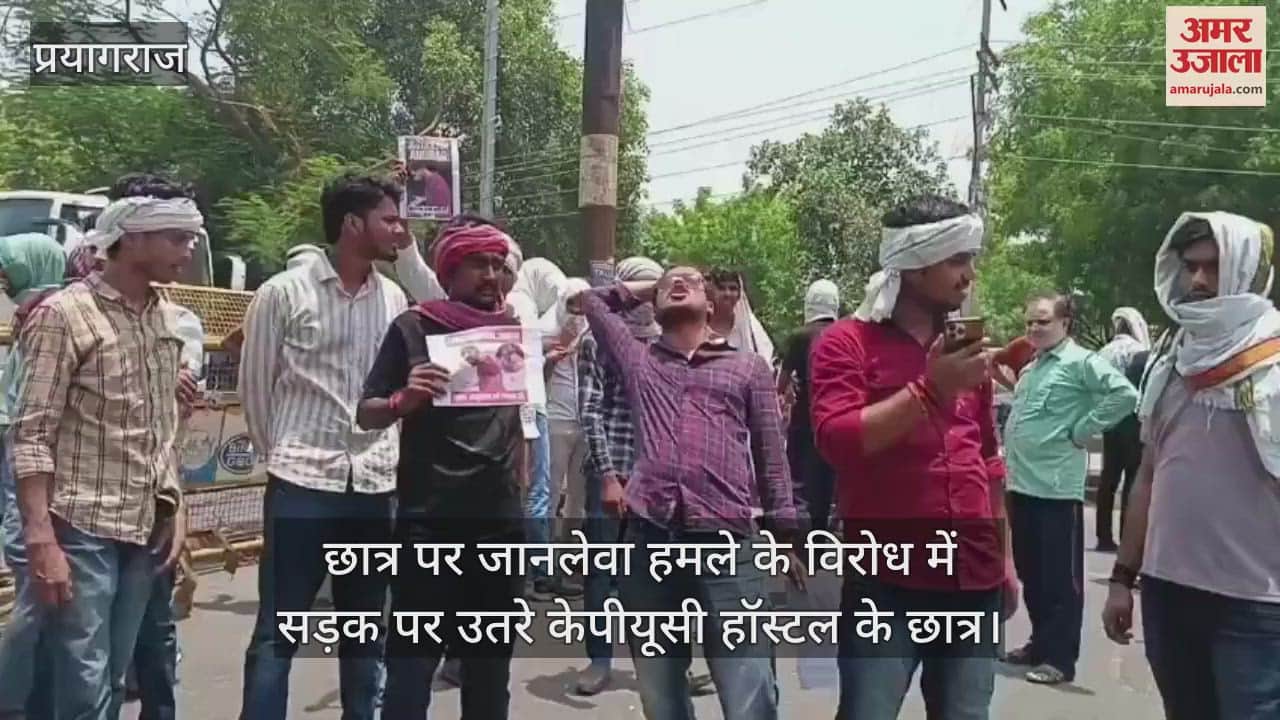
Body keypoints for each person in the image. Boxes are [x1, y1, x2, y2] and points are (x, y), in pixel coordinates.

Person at [809, 194, 1018, 720]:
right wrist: (929, 391)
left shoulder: (967, 353)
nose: (969, 274)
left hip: (973, 577)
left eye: (970, 259)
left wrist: (1006, 563)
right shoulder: (844, 343)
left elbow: (988, 463)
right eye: (956, 259)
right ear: (914, 262)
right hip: (887, 582)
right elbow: (837, 440)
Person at [576, 262, 802, 720]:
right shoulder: (639, 359)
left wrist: (788, 535)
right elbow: (592, 302)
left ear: (713, 303)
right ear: (654, 305)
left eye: (692, 280)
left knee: (748, 693)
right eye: (669, 284)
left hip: (729, 545)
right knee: (661, 695)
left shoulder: (748, 367)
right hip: (650, 542)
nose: (678, 284)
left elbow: (771, 458)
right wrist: (650, 285)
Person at [5, 193, 196, 720]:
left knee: (111, 675)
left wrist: (177, 505)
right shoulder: (64, 316)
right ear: (130, 240)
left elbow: (161, 426)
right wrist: (40, 539)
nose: (188, 249)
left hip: (143, 521)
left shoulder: (164, 317)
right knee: (83, 681)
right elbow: (32, 434)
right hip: (81, 522)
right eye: (176, 237)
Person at [238, 174, 410, 720]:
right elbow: (256, 388)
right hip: (302, 486)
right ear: (352, 224)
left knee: (366, 630)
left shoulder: (394, 297)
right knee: (278, 629)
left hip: (376, 486)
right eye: (389, 219)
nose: (399, 230)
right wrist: (286, 455)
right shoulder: (284, 293)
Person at [1103, 213, 1280, 719]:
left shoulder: (1273, 364)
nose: (1198, 281)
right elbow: (1149, 475)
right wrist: (1123, 577)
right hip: (1169, 597)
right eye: (1191, 268)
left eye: (1214, 268)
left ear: (1248, 272)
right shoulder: (1171, 362)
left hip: (1257, 608)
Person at [358, 220, 525, 720]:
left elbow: (520, 426)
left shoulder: (513, 332)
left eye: (498, 265)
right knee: (413, 664)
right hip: (429, 521)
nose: (491, 275)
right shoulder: (414, 325)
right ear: (450, 270)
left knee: (490, 668)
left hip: (500, 526)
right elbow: (365, 411)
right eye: (479, 264)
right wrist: (403, 399)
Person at [1002, 291, 1138, 685]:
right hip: (1023, 484)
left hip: (1056, 488)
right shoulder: (1034, 366)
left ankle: (1060, 659)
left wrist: (1081, 430)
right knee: (1032, 572)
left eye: (1042, 321)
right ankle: (1040, 644)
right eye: (1029, 321)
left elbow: (1125, 396)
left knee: (1060, 579)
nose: (1033, 328)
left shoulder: (1082, 362)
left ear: (1065, 324)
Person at [572, 257, 661, 696]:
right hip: (613, 469)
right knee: (601, 570)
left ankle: (665, 664)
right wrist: (608, 475)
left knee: (659, 573)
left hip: (658, 478)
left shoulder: (666, 341)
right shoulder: (597, 342)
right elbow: (590, 412)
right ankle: (599, 660)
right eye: (640, 292)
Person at [0, 231, 77, 720]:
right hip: (22, 459)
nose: (3, 278)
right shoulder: (32, 314)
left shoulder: (53, 317)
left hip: (39, 463)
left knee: (36, 593)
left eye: (8, 266)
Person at [513, 257, 580, 600]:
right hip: (534, 411)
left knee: (531, 494)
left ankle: (529, 574)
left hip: (527, 408)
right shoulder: (523, 308)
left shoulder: (527, 311)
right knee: (537, 494)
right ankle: (538, 575)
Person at [778, 279, 840, 532]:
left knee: (799, 479)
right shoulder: (846, 333)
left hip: (804, 419)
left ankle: (800, 535)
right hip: (836, 416)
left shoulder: (798, 337)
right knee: (828, 478)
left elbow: (781, 381)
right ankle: (823, 532)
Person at [545, 278, 591, 545]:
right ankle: (541, 559)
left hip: (584, 423)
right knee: (549, 492)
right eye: (572, 305)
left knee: (579, 496)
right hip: (555, 420)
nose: (577, 313)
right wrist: (554, 352)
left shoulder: (592, 333)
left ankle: (569, 557)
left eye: (582, 306)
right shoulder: (545, 331)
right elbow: (534, 378)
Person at [706, 268, 775, 363]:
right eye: (721, 288)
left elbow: (765, 361)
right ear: (711, 291)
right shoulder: (699, 324)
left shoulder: (750, 329)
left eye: (733, 288)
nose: (727, 293)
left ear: (739, 294)